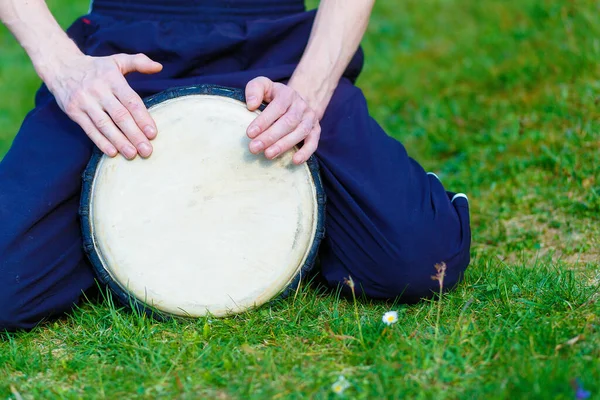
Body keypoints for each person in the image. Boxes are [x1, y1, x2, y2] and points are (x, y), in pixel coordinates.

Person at [0, 0, 471, 331]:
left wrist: (307, 92)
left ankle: (311, 221)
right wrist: (64, 67)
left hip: (280, 59)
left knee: (419, 260)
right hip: (120, 62)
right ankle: (98, 229)